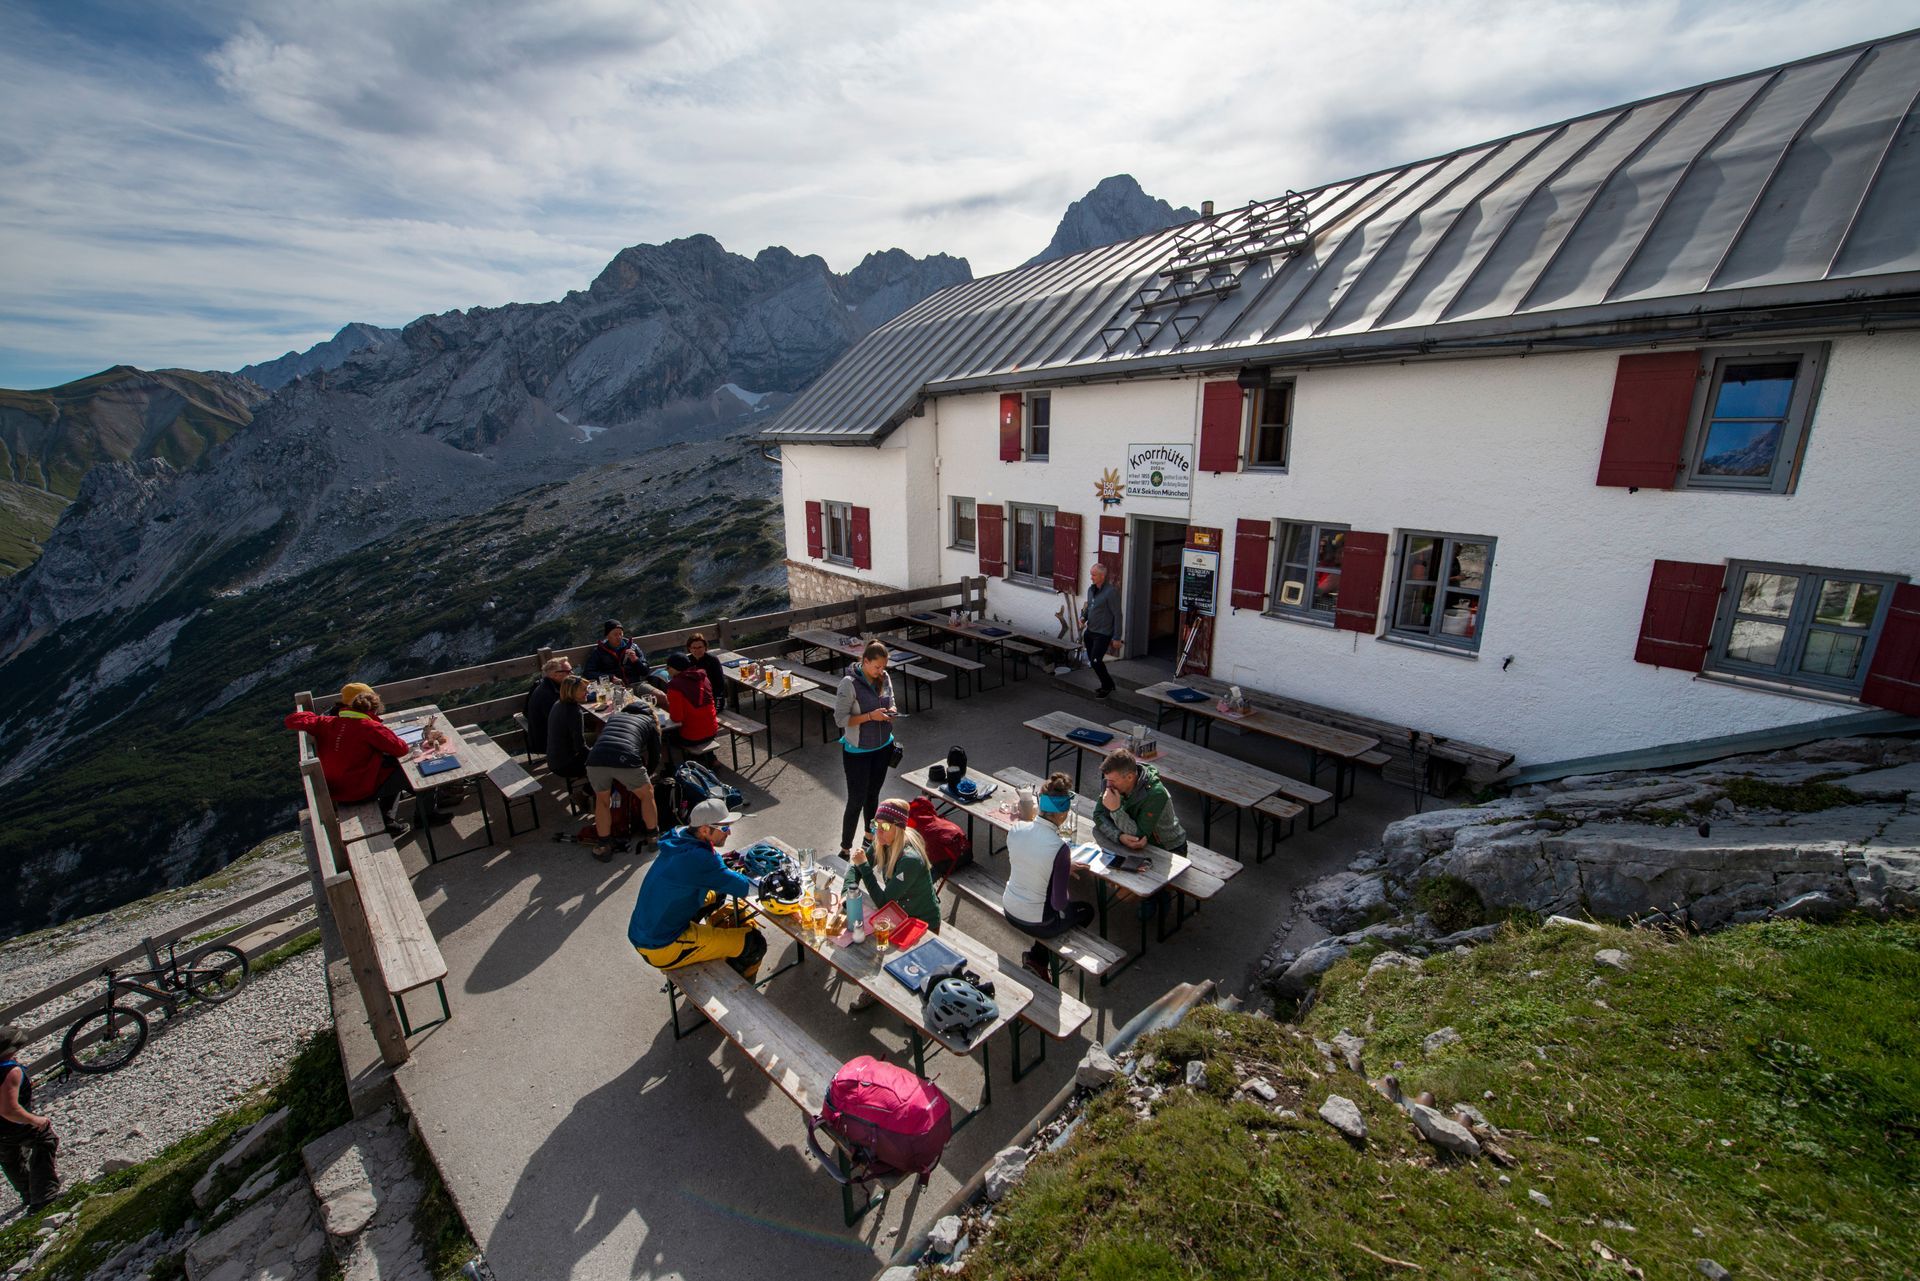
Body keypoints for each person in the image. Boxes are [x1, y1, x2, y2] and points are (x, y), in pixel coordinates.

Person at [627, 798, 766, 979]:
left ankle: (716, 945)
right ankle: (734, 994)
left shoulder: (679, 839)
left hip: (646, 930)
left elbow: (711, 875)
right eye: (724, 828)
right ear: (704, 829)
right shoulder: (699, 859)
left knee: (717, 894)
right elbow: (744, 887)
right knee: (754, 944)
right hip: (662, 946)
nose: (729, 832)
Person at [283, 682, 442, 838]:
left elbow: (291, 720)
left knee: (391, 769)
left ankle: (388, 820)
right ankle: (426, 817)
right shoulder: (368, 727)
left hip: (337, 790)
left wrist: (321, 716)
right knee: (423, 771)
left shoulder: (325, 722)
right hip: (360, 790)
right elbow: (401, 749)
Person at [1003, 773, 1097, 982]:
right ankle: (1041, 959)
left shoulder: (1016, 828)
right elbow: (1059, 902)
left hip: (1009, 908)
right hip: (1037, 921)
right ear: (1063, 813)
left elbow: (1029, 857)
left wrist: (1058, 866)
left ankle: (1037, 957)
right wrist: (1060, 869)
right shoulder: (1060, 849)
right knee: (1086, 911)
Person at [834, 640, 896, 856]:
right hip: (858, 752)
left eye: (884, 667)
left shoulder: (884, 677)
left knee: (873, 795)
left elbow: (891, 699)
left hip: (883, 746)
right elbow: (840, 720)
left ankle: (869, 837)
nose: (881, 671)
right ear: (865, 661)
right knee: (856, 800)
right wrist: (871, 716)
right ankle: (845, 847)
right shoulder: (848, 684)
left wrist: (892, 710)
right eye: (877, 667)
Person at [583, 701, 662, 861]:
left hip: (595, 759)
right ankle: (652, 837)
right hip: (626, 759)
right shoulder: (649, 722)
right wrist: (649, 774)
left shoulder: (615, 717)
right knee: (647, 796)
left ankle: (604, 845)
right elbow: (655, 754)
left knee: (603, 801)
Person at [846, 799, 941, 929]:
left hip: (922, 924)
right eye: (876, 824)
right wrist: (847, 894)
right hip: (899, 916)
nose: (878, 832)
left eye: (885, 826)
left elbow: (884, 903)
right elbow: (855, 868)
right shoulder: (882, 841)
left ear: (899, 828)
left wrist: (864, 866)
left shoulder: (910, 860)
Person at [0, 1023, 60, 1212]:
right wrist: (35, 1120)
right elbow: (9, 1109)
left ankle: (27, 1192)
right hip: (13, 1124)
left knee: (10, 1157)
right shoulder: (11, 1071)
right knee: (45, 1140)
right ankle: (43, 1196)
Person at [1093, 748, 1187, 853]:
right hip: (1138, 846)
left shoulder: (1156, 794)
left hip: (1168, 848)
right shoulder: (1111, 783)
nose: (1108, 785)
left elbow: (1138, 837)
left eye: (1112, 781)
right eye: (1107, 780)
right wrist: (1119, 836)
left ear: (1129, 777)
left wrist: (1116, 810)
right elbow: (1098, 815)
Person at [663, 652, 719, 758]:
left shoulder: (675, 686)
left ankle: (678, 765)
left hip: (691, 737)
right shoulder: (703, 677)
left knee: (666, 737)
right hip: (713, 731)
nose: (667, 670)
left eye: (668, 667)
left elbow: (676, 718)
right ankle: (711, 758)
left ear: (675, 668)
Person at [1081, 562, 1122, 697]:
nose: (1091, 577)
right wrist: (1083, 618)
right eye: (1091, 574)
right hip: (1090, 632)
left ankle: (1107, 686)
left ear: (1102, 576)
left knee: (1095, 661)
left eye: (1094, 575)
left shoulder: (1111, 592)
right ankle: (1109, 684)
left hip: (1103, 634)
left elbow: (1117, 615)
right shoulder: (1091, 590)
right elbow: (1088, 608)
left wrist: (1116, 637)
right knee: (1093, 661)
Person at [545, 674, 590, 784]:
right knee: (609, 763)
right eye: (584, 690)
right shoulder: (574, 712)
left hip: (554, 759)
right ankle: (586, 793)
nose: (588, 692)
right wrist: (599, 755)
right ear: (573, 691)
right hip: (566, 765)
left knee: (600, 738)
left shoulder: (558, 703)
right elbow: (580, 746)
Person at [522, 655, 571, 756]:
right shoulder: (548, 695)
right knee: (600, 734)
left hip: (545, 735)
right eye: (568, 672)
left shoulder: (546, 686)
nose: (572, 674)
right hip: (549, 742)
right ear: (554, 675)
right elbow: (561, 724)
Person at [583, 619, 649, 686]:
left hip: (636, 684)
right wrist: (610, 677)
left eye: (621, 634)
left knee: (659, 694)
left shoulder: (633, 647)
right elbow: (588, 673)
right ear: (607, 636)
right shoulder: (599, 651)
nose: (619, 637)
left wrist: (636, 660)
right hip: (615, 688)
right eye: (615, 634)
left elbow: (645, 671)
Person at [684, 632, 731, 710]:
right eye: (694, 648)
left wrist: (717, 700)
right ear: (689, 648)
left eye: (700, 647)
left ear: (705, 647)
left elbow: (720, 684)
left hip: (712, 697)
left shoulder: (712, 660)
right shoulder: (686, 661)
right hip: (694, 697)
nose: (697, 650)